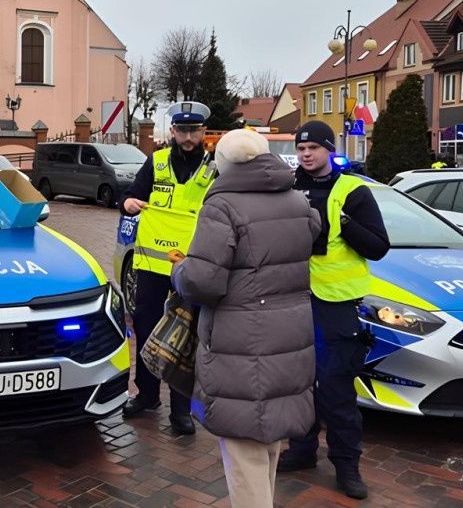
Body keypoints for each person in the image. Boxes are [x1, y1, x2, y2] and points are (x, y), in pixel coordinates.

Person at [172, 129, 320, 508]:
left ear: (223, 164)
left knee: (242, 448)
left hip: (242, 340)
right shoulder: (297, 201)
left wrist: (181, 271)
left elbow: (203, 281)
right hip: (289, 335)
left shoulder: (222, 206)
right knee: (267, 437)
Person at [277, 120, 390, 500]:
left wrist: (344, 223)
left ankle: (347, 466)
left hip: (337, 305)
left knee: (336, 389)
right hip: (294, 301)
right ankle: (302, 450)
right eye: (301, 149)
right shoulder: (287, 186)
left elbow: (377, 246)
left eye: (313, 148)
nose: (306, 155)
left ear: (329, 149)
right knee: (298, 383)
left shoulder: (353, 189)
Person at [119, 101, 215, 436]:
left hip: (192, 266)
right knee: (145, 328)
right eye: (182, 130)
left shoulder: (214, 168)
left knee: (186, 336)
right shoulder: (156, 162)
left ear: (203, 132)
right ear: (172, 131)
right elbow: (131, 196)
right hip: (150, 265)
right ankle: (146, 395)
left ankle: (181, 409)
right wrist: (128, 203)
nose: (188, 137)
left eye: (194, 131)